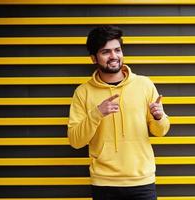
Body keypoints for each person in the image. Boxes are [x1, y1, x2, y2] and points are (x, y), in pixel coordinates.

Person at [67, 25, 170, 200]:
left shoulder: (144, 85)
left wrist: (159, 117)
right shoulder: (83, 92)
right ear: (93, 58)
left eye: (117, 50)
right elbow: (75, 140)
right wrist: (96, 113)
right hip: (104, 183)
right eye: (106, 52)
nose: (114, 56)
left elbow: (161, 131)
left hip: (142, 182)